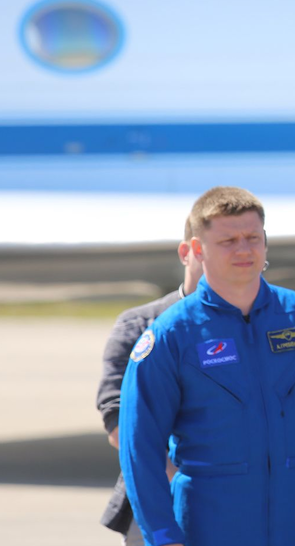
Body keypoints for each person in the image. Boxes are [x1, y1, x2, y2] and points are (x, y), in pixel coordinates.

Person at [119, 186, 295, 546]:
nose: (244, 249)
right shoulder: (171, 335)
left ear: (265, 243)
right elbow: (139, 447)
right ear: (198, 250)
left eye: (253, 238)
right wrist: (162, 535)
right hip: (207, 522)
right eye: (228, 241)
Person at [97, 218, 203, 545]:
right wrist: (182, 480)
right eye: (213, 247)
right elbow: (118, 421)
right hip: (159, 500)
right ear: (188, 252)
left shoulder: (258, 324)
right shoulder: (140, 324)